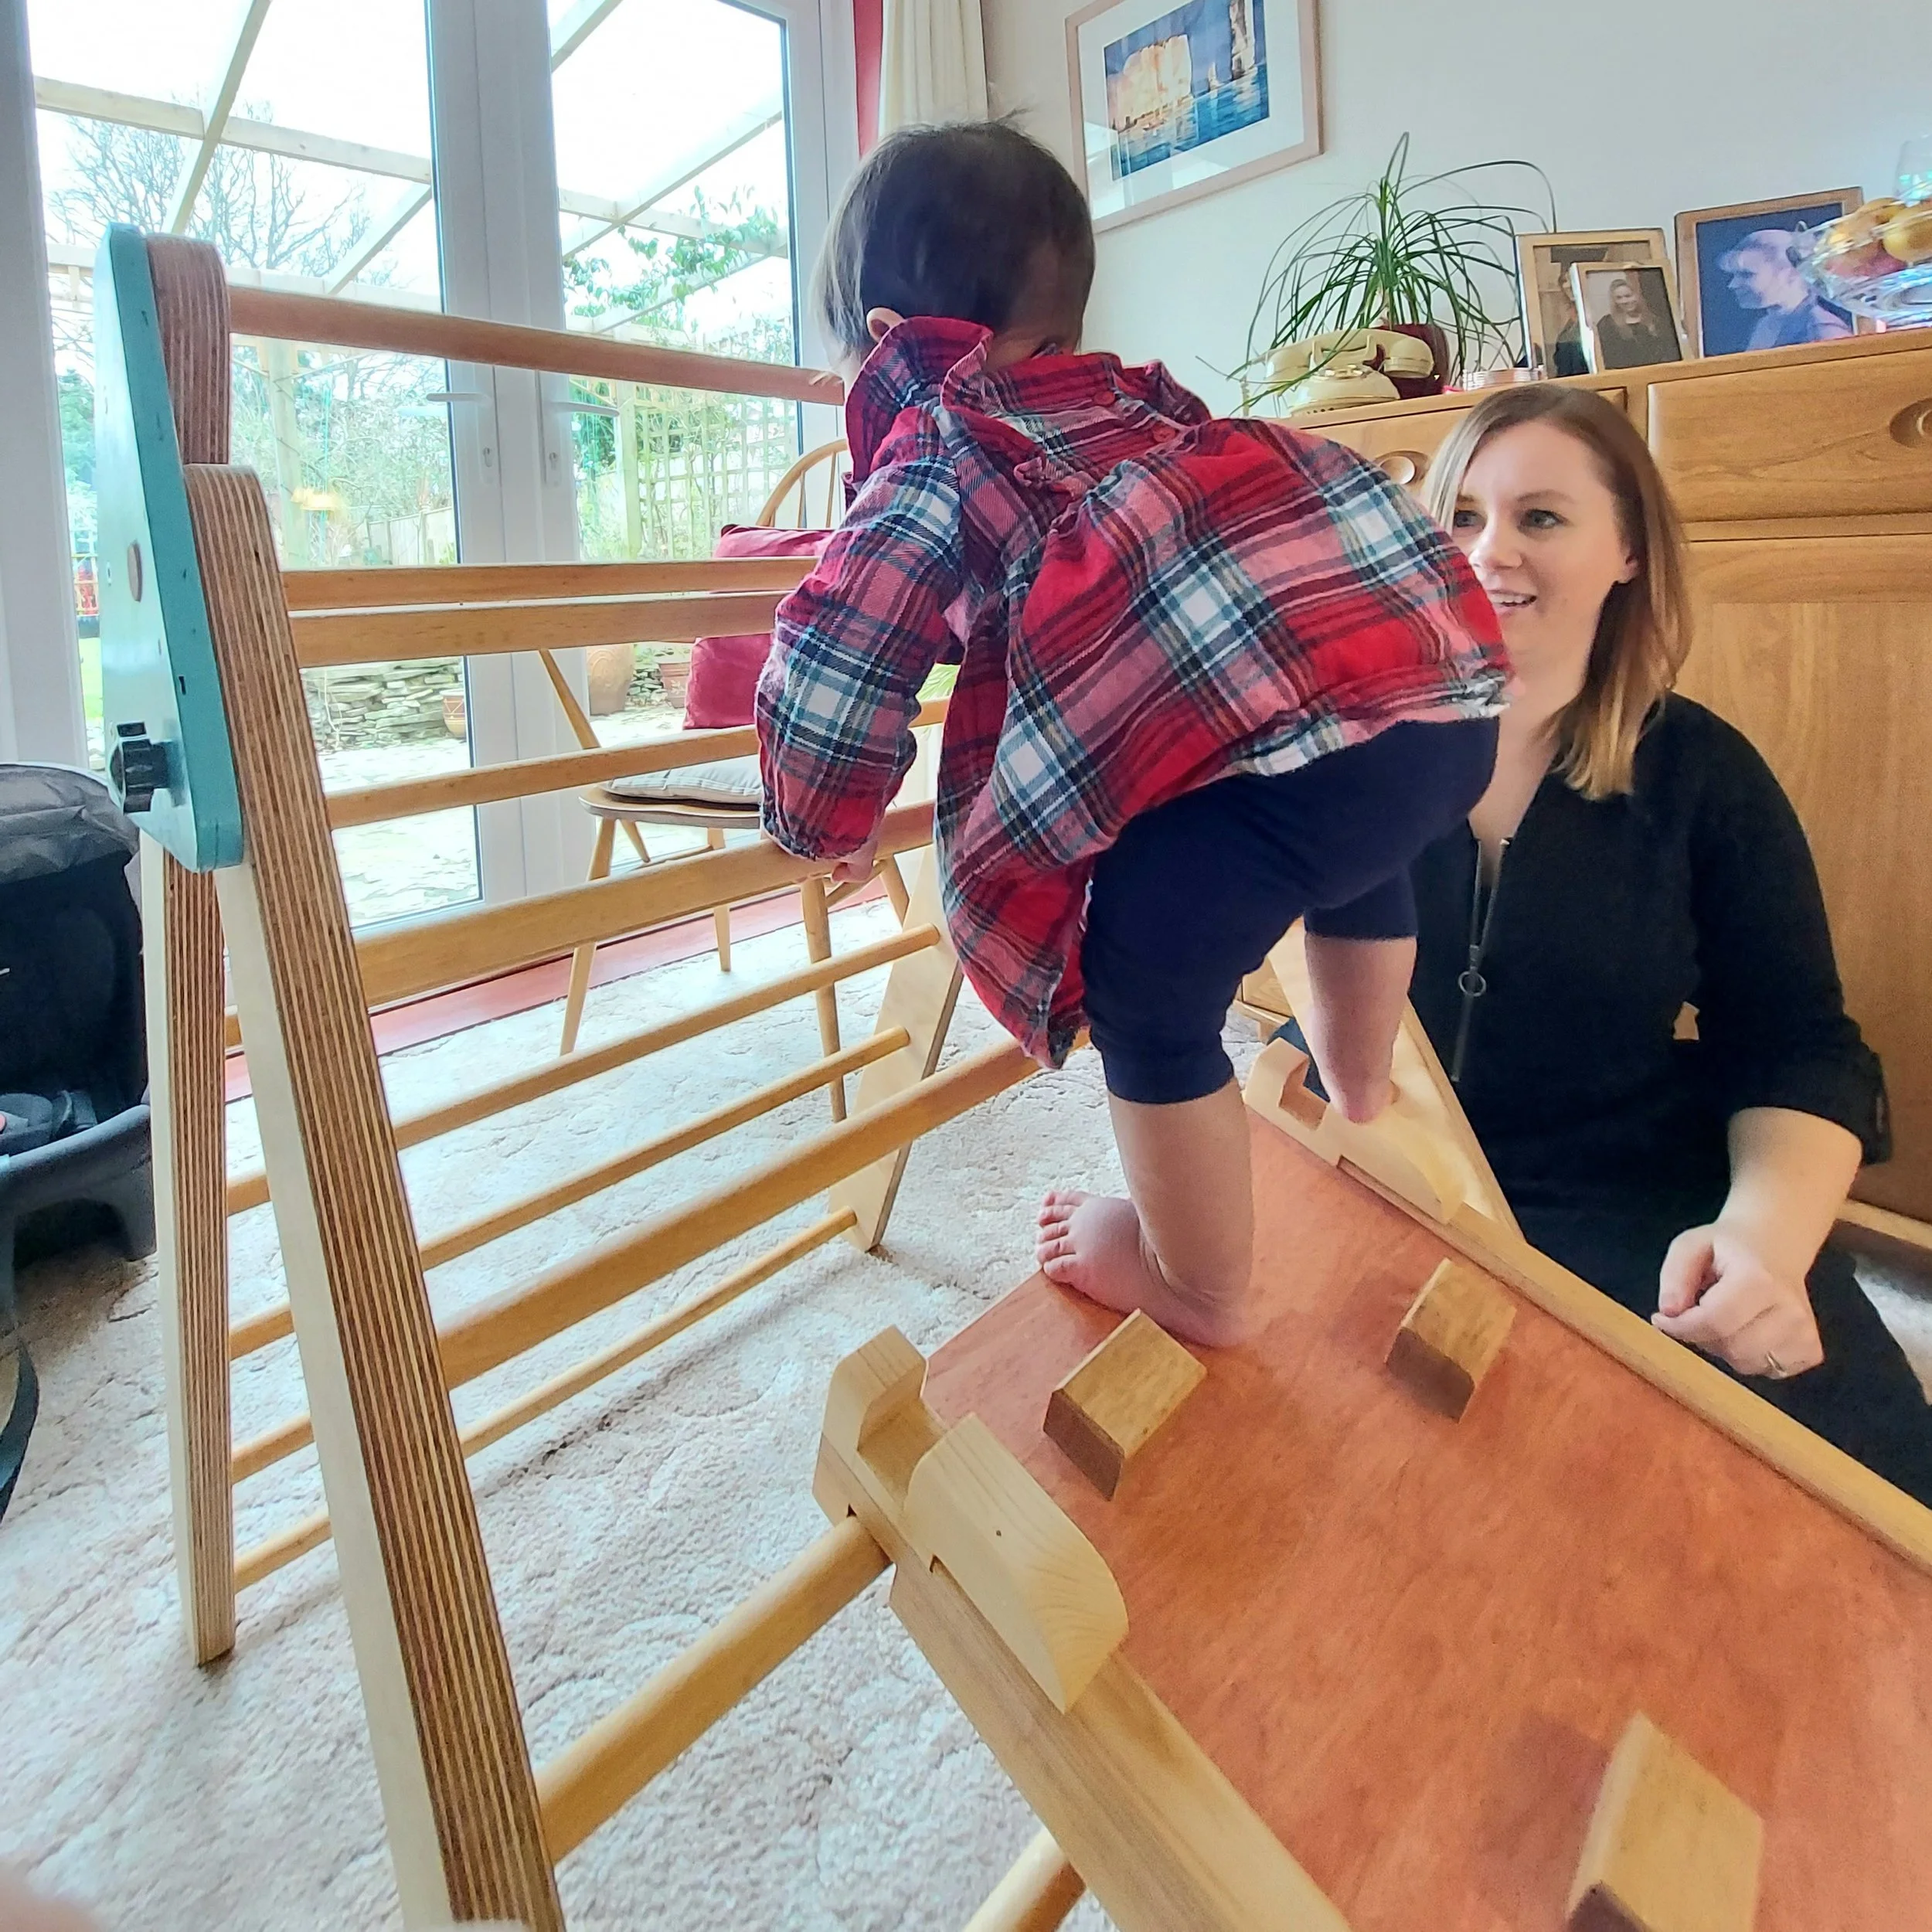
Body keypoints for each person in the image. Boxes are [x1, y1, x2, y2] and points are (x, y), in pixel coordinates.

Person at [757, 121, 1507, 1348]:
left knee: (1149, 977)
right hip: (1441, 706)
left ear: (883, 342)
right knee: (1354, 825)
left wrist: (819, 818)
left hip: (1290, 779)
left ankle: (1194, 1286)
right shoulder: (1148, 411)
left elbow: (845, 645)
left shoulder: (937, 443)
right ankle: (1360, 1082)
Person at [1411, 384, 1931, 1502]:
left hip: (1628, 1182)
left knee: (1854, 1493)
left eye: (1539, 517)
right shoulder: (1348, 754)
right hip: (1398, 1177)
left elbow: (1799, 1045)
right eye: (1460, 517)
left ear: (1629, 552)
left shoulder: (1705, 777)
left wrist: (1763, 1242)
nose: (1490, 550)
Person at [1719, 230, 1854, 350]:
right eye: (1734, 275)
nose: (1733, 284)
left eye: (1747, 274)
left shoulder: (1824, 331)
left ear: (1791, 274)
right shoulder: (1766, 325)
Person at [1590, 273, 1682, 369]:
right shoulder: (1606, 324)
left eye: (1628, 296)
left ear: (1637, 296)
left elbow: (1669, 352)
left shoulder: (1655, 321)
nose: (1625, 301)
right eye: (1619, 298)